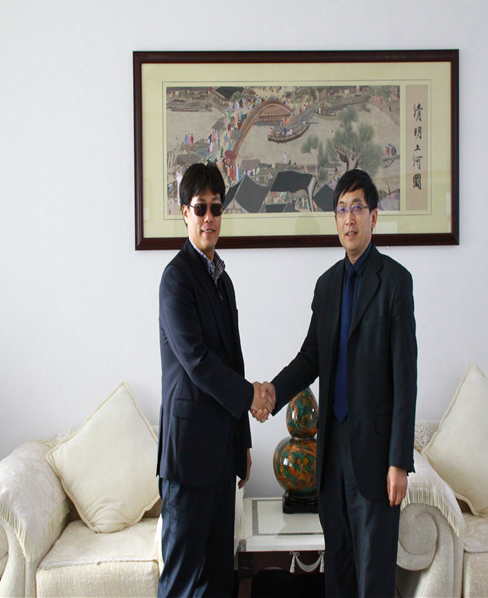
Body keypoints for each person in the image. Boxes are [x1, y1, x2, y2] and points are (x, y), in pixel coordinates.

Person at [259, 168, 417, 598]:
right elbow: (310, 357)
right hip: (331, 454)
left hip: (377, 458)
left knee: (374, 578)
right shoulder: (327, 285)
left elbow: (406, 379)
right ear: (335, 219)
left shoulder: (395, 282)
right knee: (340, 575)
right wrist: (272, 394)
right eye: (342, 209)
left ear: (373, 216)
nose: (349, 219)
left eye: (357, 208)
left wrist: (399, 460)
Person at [157, 163, 274, 598]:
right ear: (184, 212)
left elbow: (233, 363)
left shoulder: (224, 280)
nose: (209, 218)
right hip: (188, 460)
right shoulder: (176, 279)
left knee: (219, 581)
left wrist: (242, 442)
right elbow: (198, 362)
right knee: (182, 583)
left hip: (223, 455)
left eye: (216, 208)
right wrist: (253, 396)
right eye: (200, 208)